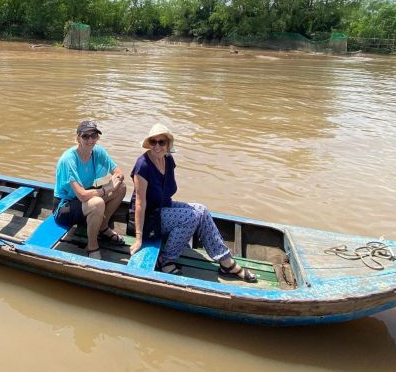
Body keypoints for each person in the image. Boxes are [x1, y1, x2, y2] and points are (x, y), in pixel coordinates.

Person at [129, 123, 257, 282]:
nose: (157, 146)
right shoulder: (143, 166)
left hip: (164, 209)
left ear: (168, 145)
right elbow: (140, 204)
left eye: (161, 142)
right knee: (190, 217)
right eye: (153, 142)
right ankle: (166, 260)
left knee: (201, 210)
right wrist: (139, 237)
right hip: (148, 219)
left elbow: (167, 193)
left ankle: (225, 261)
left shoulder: (168, 160)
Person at [54, 120, 128, 259]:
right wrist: (107, 189)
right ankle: (92, 246)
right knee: (98, 203)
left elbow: (119, 173)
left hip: (85, 201)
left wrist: (117, 179)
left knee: (121, 188)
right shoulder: (68, 159)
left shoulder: (97, 152)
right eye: (85, 136)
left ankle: (102, 227)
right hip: (65, 207)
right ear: (78, 138)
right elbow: (82, 195)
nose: (90, 140)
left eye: (94, 135)